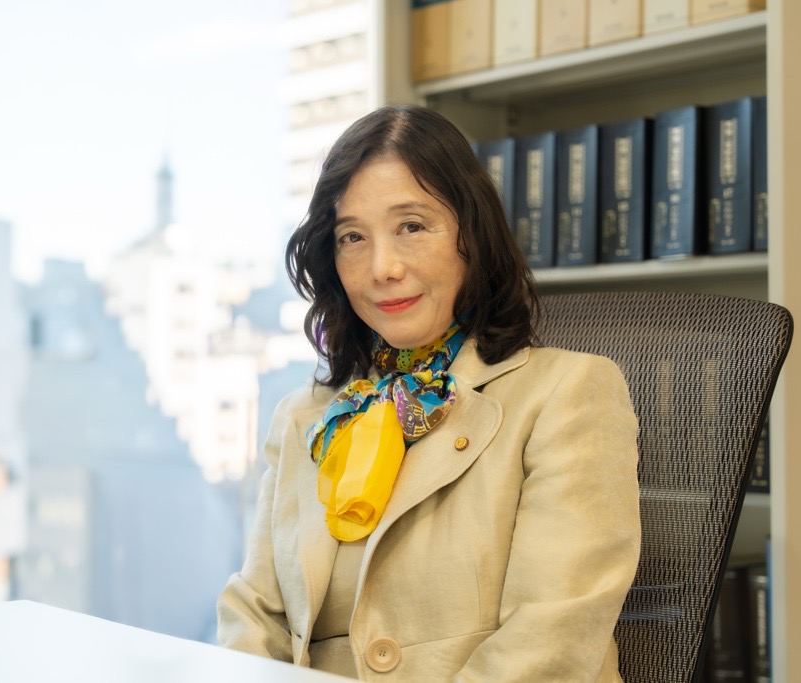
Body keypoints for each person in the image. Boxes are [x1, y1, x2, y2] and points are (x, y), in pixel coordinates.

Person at [217, 105, 640, 681]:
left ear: (473, 235)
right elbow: (254, 616)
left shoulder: (568, 392)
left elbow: (552, 640)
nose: (382, 267)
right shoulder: (305, 417)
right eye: (352, 237)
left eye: (412, 226)